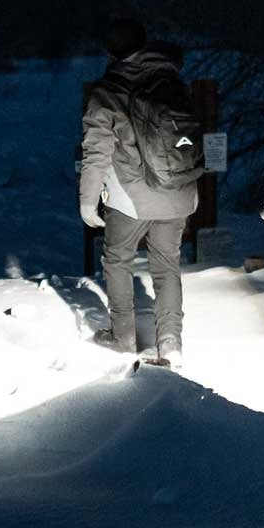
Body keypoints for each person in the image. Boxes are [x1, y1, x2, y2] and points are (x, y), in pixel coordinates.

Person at [79, 18, 199, 365]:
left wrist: (88, 201)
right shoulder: (172, 80)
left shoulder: (106, 92)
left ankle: (123, 337)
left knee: (117, 260)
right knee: (167, 266)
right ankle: (171, 343)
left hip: (130, 198)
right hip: (177, 191)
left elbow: (96, 152)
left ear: (110, 52)